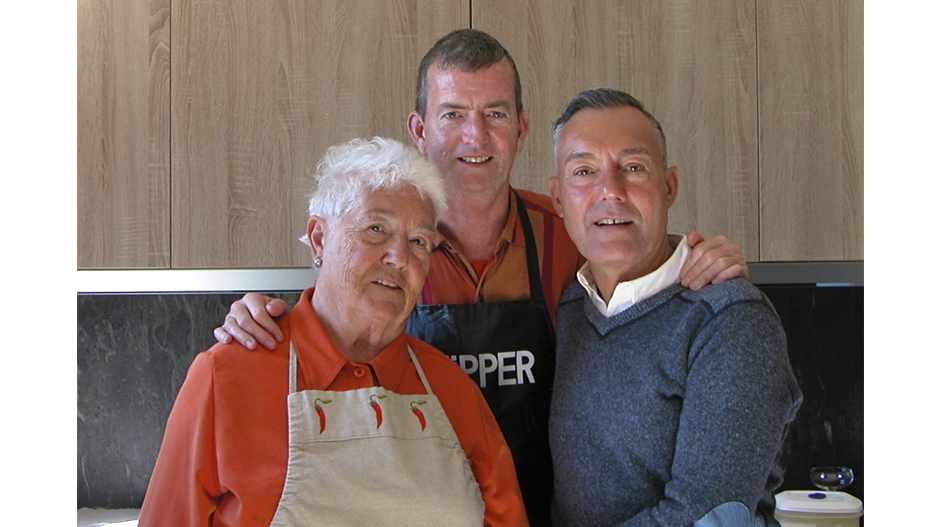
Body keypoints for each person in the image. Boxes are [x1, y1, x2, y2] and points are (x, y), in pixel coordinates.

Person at [213, 30, 750, 524]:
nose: (476, 135)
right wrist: (265, 315)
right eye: (453, 115)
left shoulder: (569, 232)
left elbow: (639, 245)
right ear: (420, 131)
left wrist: (700, 257)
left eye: (494, 113)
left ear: (521, 128)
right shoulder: (391, 257)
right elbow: (333, 322)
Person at [138, 137, 528, 527]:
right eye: (376, 228)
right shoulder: (225, 379)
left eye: (418, 241)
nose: (399, 257)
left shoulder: (452, 390)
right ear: (320, 238)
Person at [546, 88, 802, 527]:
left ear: (668, 188)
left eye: (633, 167)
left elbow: (709, 516)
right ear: (557, 199)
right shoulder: (572, 307)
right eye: (584, 171)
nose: (611, 190)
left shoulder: (728, 319)